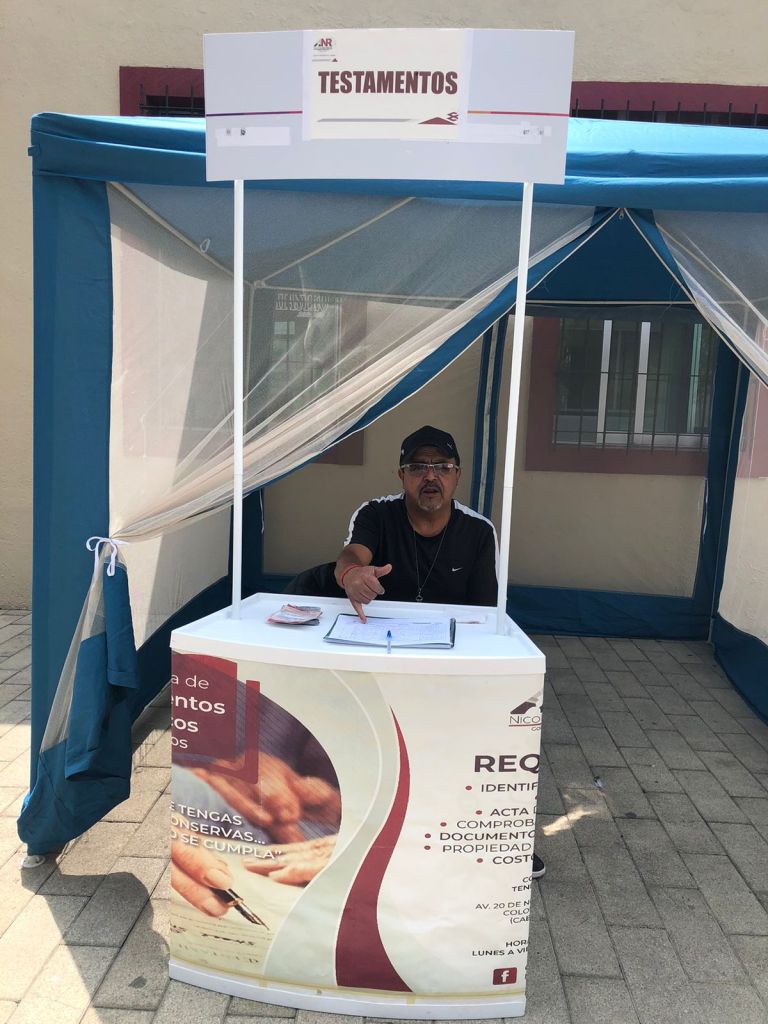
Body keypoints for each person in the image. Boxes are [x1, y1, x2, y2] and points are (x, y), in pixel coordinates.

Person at [334, 424, 545, 879]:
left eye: (442, 467)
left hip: (450, 657)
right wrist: (352, 576)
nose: (431, 476)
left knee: (491, 731)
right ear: (401, 475)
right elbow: (352, 555)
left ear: (457, 475)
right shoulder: (376, 513)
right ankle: (363, 832)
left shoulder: (478, 530)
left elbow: (486, 620)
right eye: (418, 467)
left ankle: (496, 833)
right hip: (380, 655)